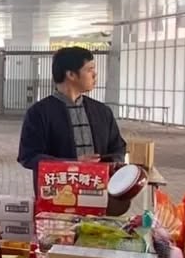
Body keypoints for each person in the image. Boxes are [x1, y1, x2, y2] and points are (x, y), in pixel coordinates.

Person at [18, 45, 126, 179]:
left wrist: (109, 163)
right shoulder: (38, 113)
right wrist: (72, 164)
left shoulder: (102, 111)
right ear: (71, 75)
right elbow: (28, 156)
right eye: (90, 69)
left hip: (98, 186)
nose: (95, 74)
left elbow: (118, 148)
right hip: (58, 188)